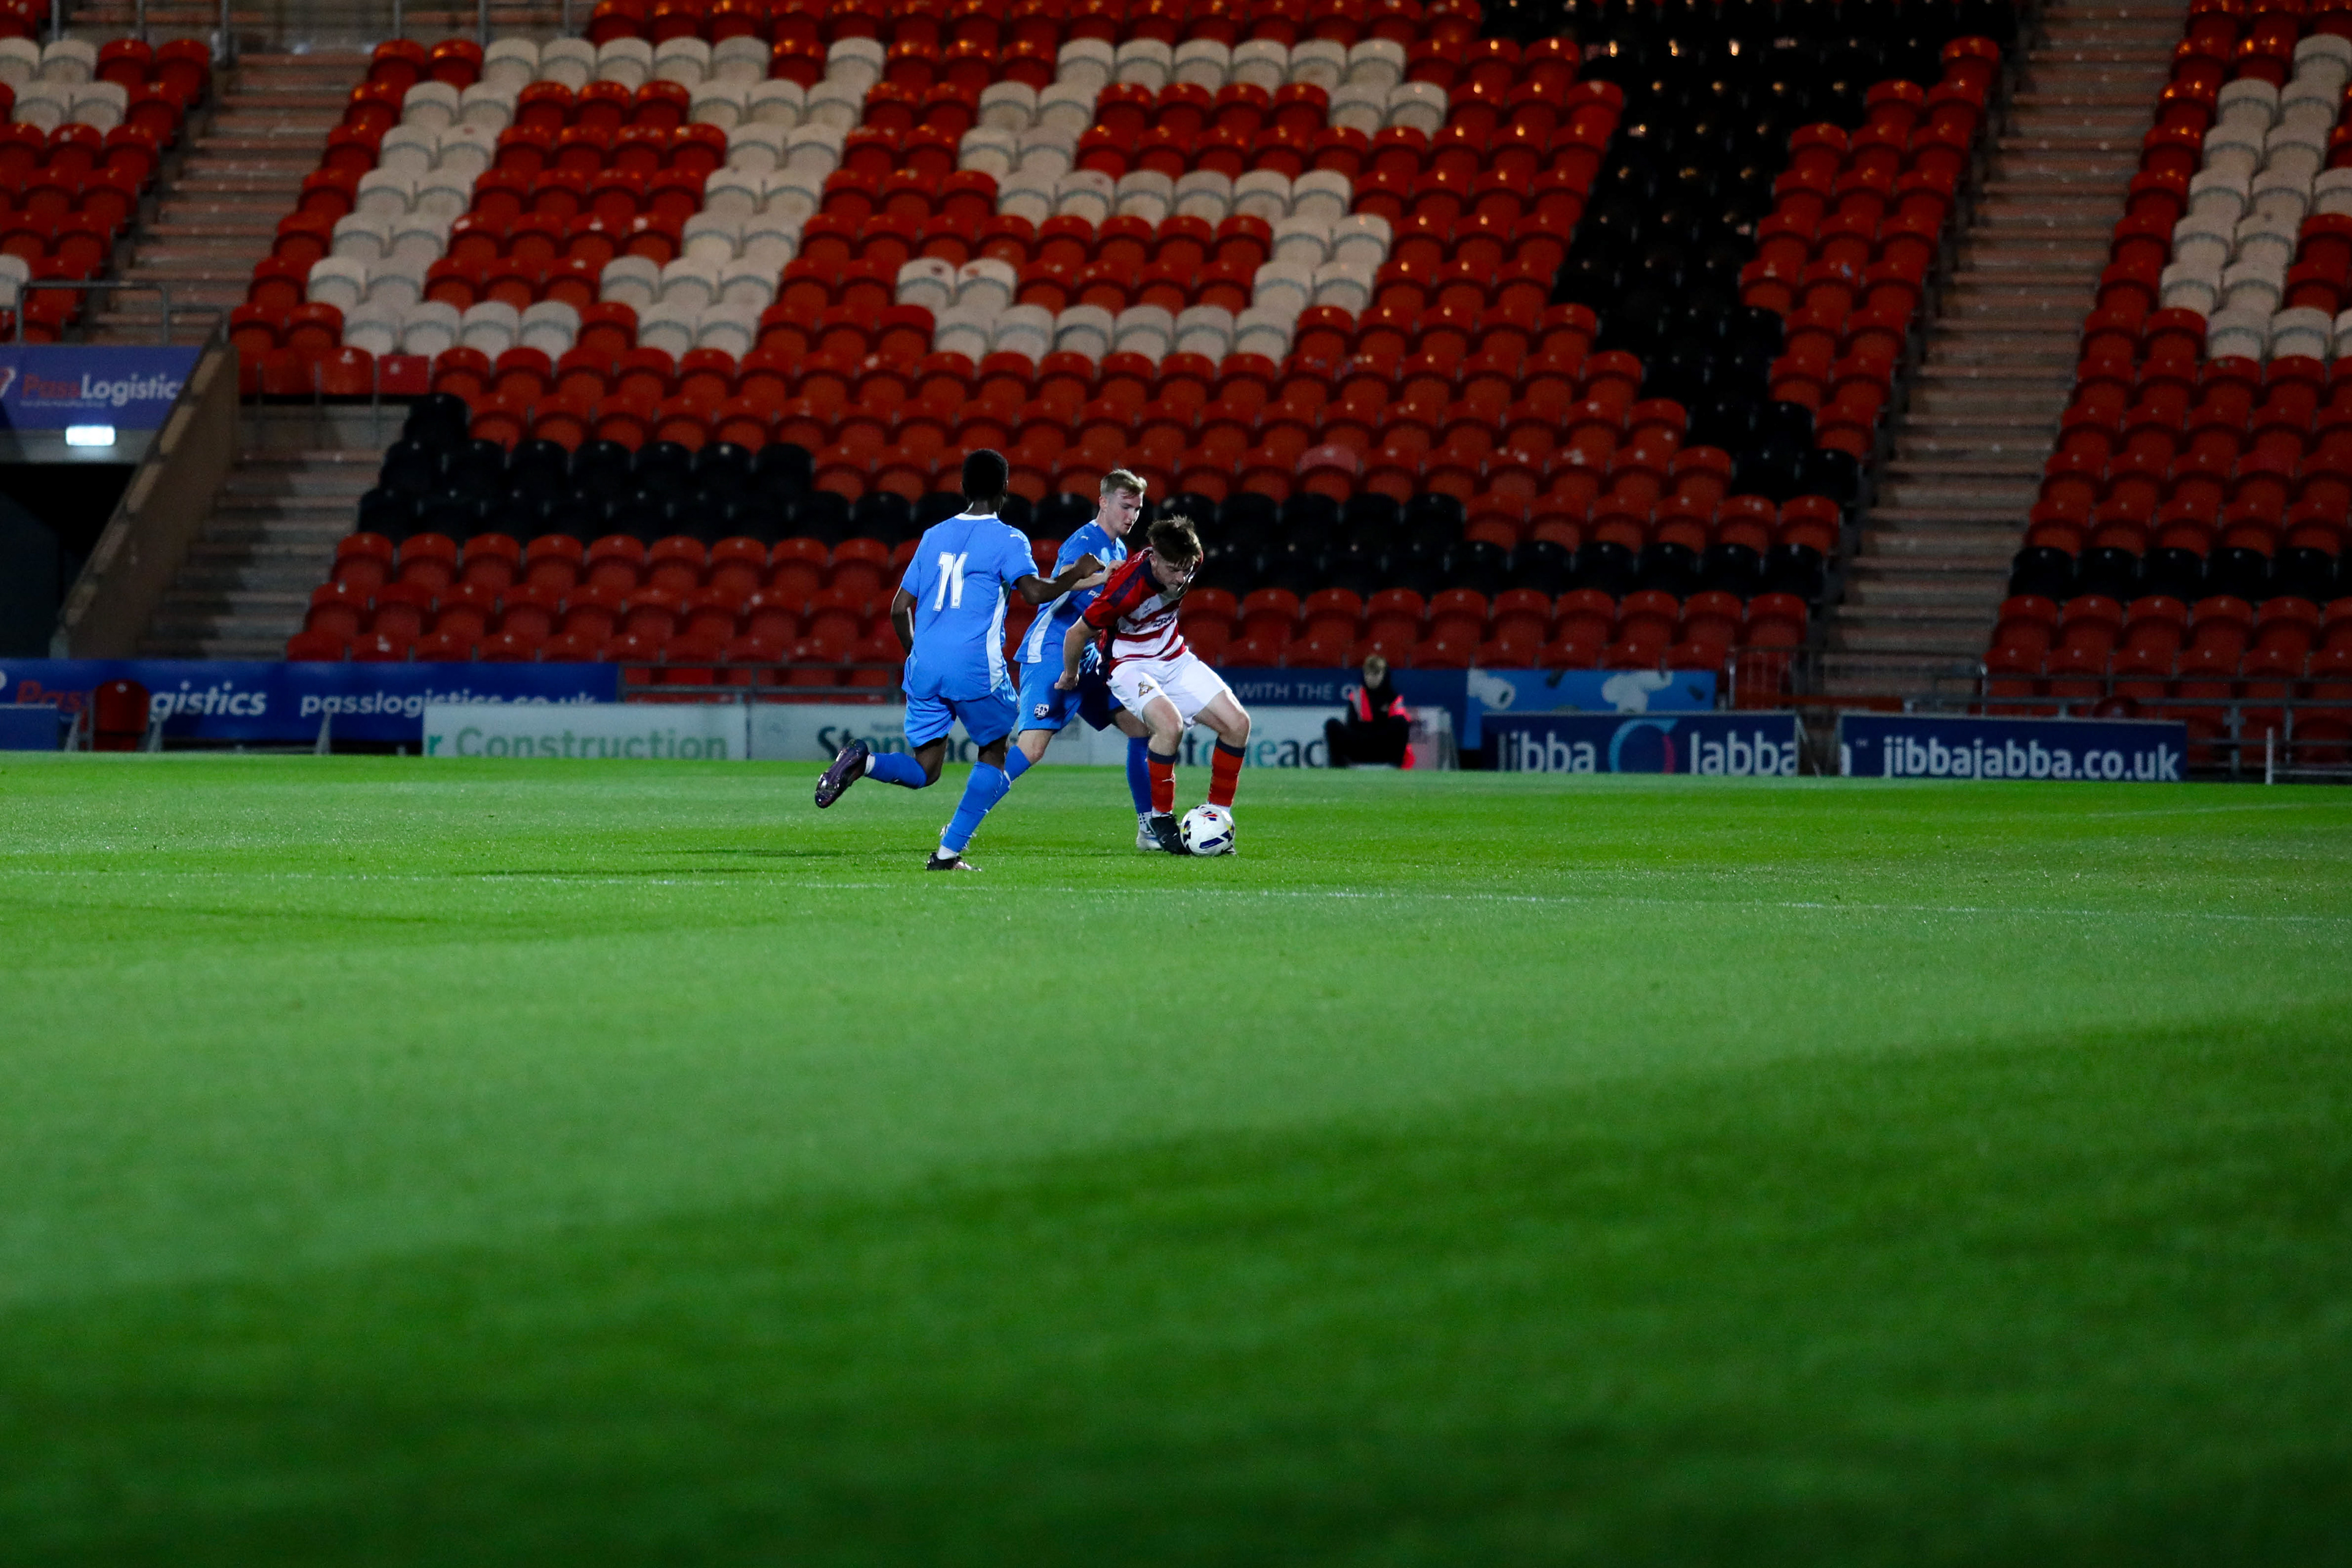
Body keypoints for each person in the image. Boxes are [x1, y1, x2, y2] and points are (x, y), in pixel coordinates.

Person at [813, 450, 1102, 870]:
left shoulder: (933, 536)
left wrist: (918, 656)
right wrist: (1077, 572)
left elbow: (898, 609)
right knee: (994, 753)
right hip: (974, 668)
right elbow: (1035, 593)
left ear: (963, 488)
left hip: (925, 665)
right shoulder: (1009, 539)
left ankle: (864, 761)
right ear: (1006, 488)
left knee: (926, 769)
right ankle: (948, 853)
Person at [1060, 514, 1250, 855]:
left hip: (1173, 657)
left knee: (1238, 725)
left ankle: (1217, 817)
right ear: (1154, 560)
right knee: (1169, 725)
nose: (1183, 578)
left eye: (1188, 569)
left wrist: (1184, 570)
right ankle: (1160, 820)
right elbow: (1076, 633)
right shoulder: (1125, 589)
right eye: (1175, 569)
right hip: (1129, 665)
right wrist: (1070, 675)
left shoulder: (1188, 559)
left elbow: (1184, 567)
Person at [1011, 469, 1163, 850]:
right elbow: (1060, 579)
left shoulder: (1122, 551)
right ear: (1104, 502)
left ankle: (1148, 829)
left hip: (1089, 654)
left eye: (1138, 509)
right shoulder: (1086, 539)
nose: (1132, 516)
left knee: (1142, 728)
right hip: (1052, 646)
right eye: (1126, 507)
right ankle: (964, 819)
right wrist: (1100, 578)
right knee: (1032, 749)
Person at [1325, 654, 1412, 767]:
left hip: (1383, 747)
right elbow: (1352, 725)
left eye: (1376, 674)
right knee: (1332, 725)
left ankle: (1397, 768)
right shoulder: (1356, 697)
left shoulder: (1394, 698)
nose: (1371, 678)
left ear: (1384, 674)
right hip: (1360, 746)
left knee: (1402, 722)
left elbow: (1397, 726)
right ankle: (1338, 769)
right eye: (1368, 674)